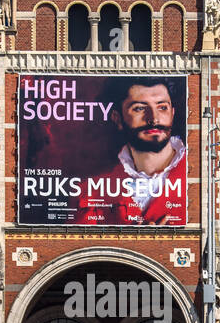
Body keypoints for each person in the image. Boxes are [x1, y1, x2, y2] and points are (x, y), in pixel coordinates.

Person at [74, 77, 187, 226]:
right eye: (139, 108)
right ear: (118, 118)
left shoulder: (198, 178)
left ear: (172, 113)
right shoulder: (89, 193)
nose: (154, 119)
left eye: (162, 107)